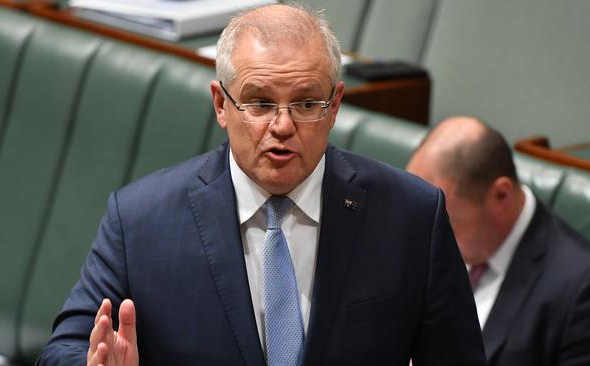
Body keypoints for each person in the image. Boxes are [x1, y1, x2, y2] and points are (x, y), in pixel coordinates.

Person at [37, 4, 486, 365]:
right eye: (259, 102)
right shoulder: (140, 221)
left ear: (335, 106)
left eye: (307, 102)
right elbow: (63, 349)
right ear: (220, 103)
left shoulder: (411, 216)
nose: (283, 125)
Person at [406, 116, 590, 366]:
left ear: (500, 195)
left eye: (445, 220)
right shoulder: (425, 240)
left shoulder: (584, 290)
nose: (427, 234)